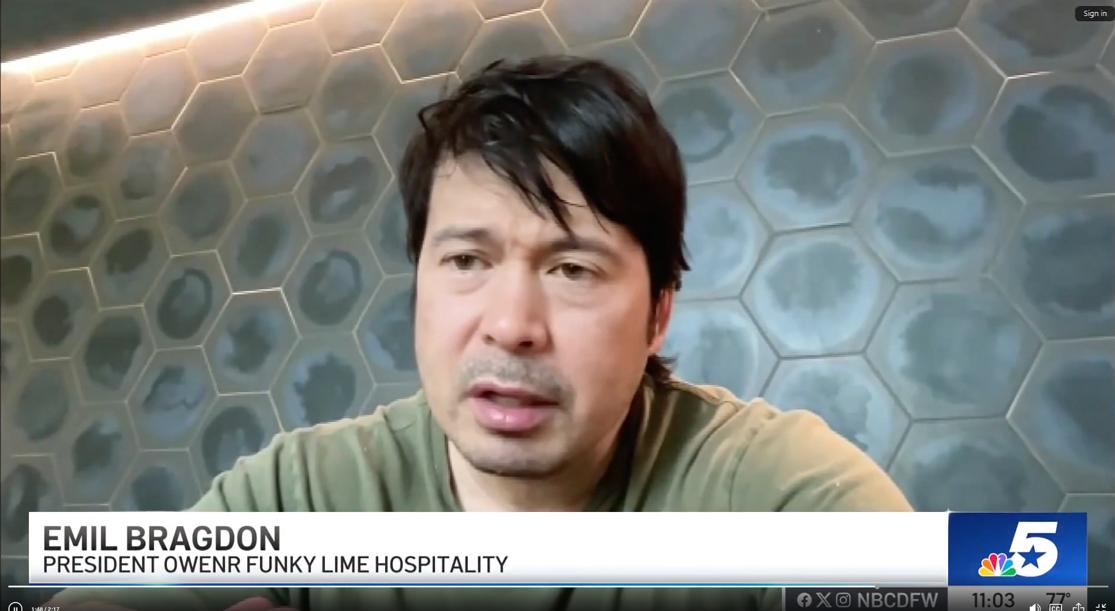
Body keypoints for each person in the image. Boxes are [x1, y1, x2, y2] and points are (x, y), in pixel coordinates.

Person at [52, 55, 910, 611]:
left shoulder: (772, 490)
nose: (509, 325)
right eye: (466, 260)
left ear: (657, 313)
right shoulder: (302, 491)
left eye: (571, 269)